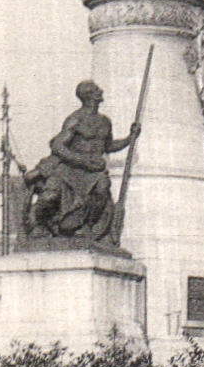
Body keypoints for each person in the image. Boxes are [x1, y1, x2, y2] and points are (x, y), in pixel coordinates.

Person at [24, 80, 139, 244]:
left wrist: (130, 138)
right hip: (71, 168)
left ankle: (85, 226)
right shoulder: (75, 119)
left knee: (102, 189)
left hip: (93, 171)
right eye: (96, 90)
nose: (101, 91)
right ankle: (39, 224)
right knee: (50, 197)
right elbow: (58, 146)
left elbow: (108, 146)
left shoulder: (105, 121)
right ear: (88, 96)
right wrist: (82, 160)